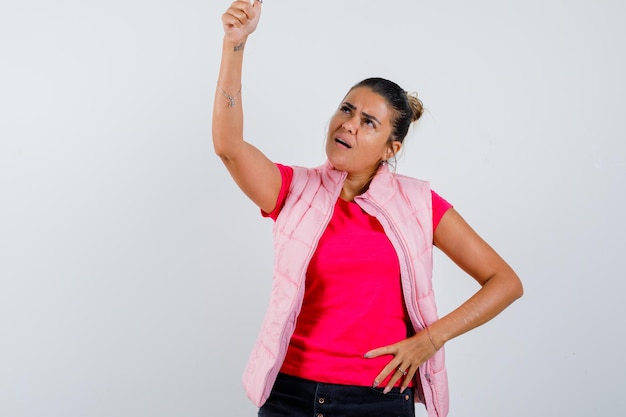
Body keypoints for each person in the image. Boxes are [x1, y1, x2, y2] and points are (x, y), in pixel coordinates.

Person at [212, 2, 523, 416]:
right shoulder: (293, 189)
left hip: (377, 400)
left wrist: (430, 340)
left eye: (368, 122)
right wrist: (235, 45)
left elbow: (504, 281)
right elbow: (229, 148)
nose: (348, 125)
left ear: (391, 149)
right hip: (289, 396)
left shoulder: (419, 204)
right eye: (346, 109)